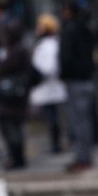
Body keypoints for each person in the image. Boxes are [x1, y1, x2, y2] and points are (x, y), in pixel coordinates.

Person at [59, 0, 96, 173]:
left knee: (78, 122)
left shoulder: (69, 31)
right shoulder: (86, 29)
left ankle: (82, 157)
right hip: (87, 79)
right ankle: (86, 156)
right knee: (85, 121)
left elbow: (65, 58)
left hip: (75, 80)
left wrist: (63, 74)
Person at [0, 19, 30, 169]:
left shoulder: (15, 51)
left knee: (11, 127)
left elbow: (4, 68)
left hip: (12, 95)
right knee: (14, 126)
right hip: (14, 95)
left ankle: (16, 157)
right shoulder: (14, 50)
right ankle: (16, 156)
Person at [30, 14, 67, 154]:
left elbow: (49, 67)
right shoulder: (47, 43)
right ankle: (55, 143)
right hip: (49, 86)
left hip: (50, 85)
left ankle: (56, 144)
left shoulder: (49, 45)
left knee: (53, 117)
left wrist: (38, 73)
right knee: (52, 116)